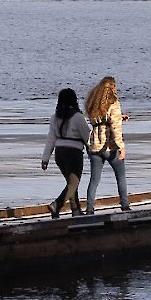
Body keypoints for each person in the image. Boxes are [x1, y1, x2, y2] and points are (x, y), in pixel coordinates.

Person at [41, 88, 92, 218]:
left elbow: (51, 139)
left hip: (59, 153)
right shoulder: (78, 117)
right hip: (73, 153)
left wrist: (45, 159)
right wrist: (95, 150)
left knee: (71, 184)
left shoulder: (55, 117)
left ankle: (75, 210)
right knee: (74, 183)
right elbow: (88, 136)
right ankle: (57, 204)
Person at [84, 76, 129, 212]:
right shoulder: (113, 103)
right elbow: (115, 128)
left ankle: (90, 209)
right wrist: (121, 147)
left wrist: (120, 116)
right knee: (120, 177)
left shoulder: (93, 104)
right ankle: (125, 205)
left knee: (94, 180)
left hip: (94, 145)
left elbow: (100, 121)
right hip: (109, 146)